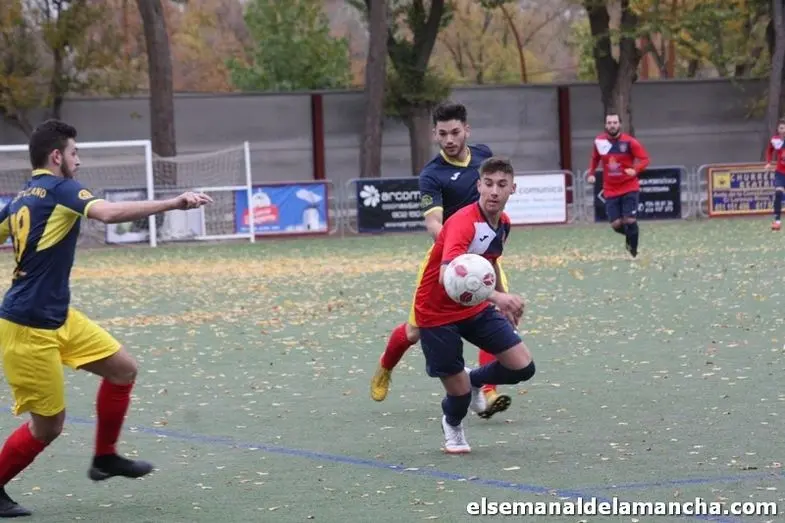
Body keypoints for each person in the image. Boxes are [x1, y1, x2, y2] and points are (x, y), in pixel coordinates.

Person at [0, 119, 213, 517]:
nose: (79, 161)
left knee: (122, 369)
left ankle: (105, 458)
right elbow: (109, 213)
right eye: (75, 153)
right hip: (28, 327)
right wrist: (174, 203)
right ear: (57, 156)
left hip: (57, 316)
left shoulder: (19, 199)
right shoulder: (61, 189)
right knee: (47, 427)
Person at [370, 101, 513, 419]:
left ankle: (486, 389)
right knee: (414, 332)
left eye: (455, 132)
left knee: (495, 313)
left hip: (485, 255)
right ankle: (385, 366)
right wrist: (457, 252)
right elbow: (434, 222)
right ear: (435, 134)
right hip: (446, 259)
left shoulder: (483, 156)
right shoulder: (432, 174)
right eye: (443, 133)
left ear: (467, 130)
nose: (449, 139)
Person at [412, 156, 535, 453]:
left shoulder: (503, 223)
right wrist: (498, 297)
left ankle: (475, 378)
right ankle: (453, 425)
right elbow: (446, 275)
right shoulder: (463, 222)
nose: (494, 191)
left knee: (523, 367)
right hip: (436, 313)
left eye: (502, 185)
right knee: (460, 395)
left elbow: (491, 262)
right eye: (488, 184)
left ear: (513, 189)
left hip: (474, 306)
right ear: (478, 185)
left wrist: (503, 300)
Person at [586, 112, 650, 258]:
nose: (612, 125)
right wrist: (591, 173)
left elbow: (645, 159)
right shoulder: (599, 141)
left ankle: (633, 252)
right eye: (609, 123)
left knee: (629, 219)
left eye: (615, 123)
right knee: (615, 224)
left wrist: (635, 170)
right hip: (610, 188)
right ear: (605, 125)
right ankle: (631, 236)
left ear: (620, 124)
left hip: (629, 186)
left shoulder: (630, 142)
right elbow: (595, 158)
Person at [764, 118, 785, 231]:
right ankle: (777, 221)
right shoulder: (775, 140)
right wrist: (768, 162)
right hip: (780, 173)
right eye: (781, 128)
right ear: (778, 129)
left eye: (784, 128)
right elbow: (769, 150)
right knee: (778, 193)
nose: (783, 130)